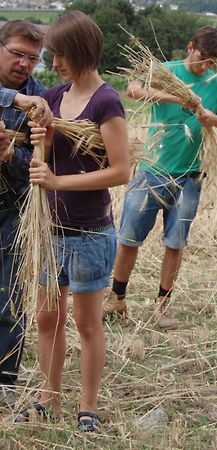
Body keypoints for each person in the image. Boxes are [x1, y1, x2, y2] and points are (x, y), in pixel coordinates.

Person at [15, 12, 129, 432]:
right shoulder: (56, 96)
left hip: (88, 233)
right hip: (49, 230)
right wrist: (31, 141)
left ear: (80, 51)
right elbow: (43, 147)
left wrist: (58, 180)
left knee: (85, 322)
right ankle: (49, 400)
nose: (54, 62)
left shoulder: (106, 101)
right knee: (48, 319)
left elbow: (121, 171)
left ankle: (88, 407)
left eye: (60, 54)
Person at [102, 26, 217, 328]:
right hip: (151, 170)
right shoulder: (166, 71)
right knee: (129, 238)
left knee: (175, 243)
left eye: (212, 61)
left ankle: (162, 306)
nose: (205, 66)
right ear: (190, 46)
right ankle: (116, 298)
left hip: (189, 178)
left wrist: (211, 118)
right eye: (202, 57)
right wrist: (176, 98)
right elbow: (134, 89)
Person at [0, 20, 53, 408]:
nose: (24, 63)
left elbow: (41, 165)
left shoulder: (42, 99)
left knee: (9, 300)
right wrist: (12, 100)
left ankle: (4, 383)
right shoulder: (25, 101)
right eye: (17, 53)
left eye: (33, 58)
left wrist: (8, 154)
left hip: (13, 210)